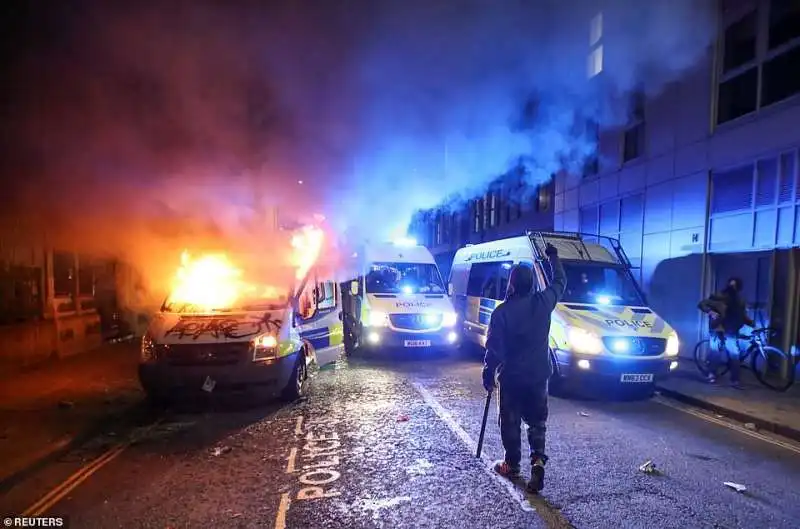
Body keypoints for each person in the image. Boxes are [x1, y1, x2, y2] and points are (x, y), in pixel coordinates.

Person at [482, 243, 566, 493]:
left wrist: (488, 373)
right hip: (539, 376)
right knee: (537, 423)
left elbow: (494, 349)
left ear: (512, 284)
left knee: (510, 422)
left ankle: (512, 464)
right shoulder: (543, 303)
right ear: (532, 284)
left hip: (512, 379)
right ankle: (538, 464)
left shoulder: (502, 313)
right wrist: (553, 256)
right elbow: (560, 281)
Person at [697, 277, 754, 389]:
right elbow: (702, 304)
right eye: (731, 284)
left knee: (734, 354)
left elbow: (742, 315)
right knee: (715, 351)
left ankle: (735, 380)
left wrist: (751, 323)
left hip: (731, 329)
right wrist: (711, 312)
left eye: (735, 285)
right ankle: (711, 374)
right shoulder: (719, 296)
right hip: (718, 327)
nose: (732, 287)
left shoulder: (740, 300)